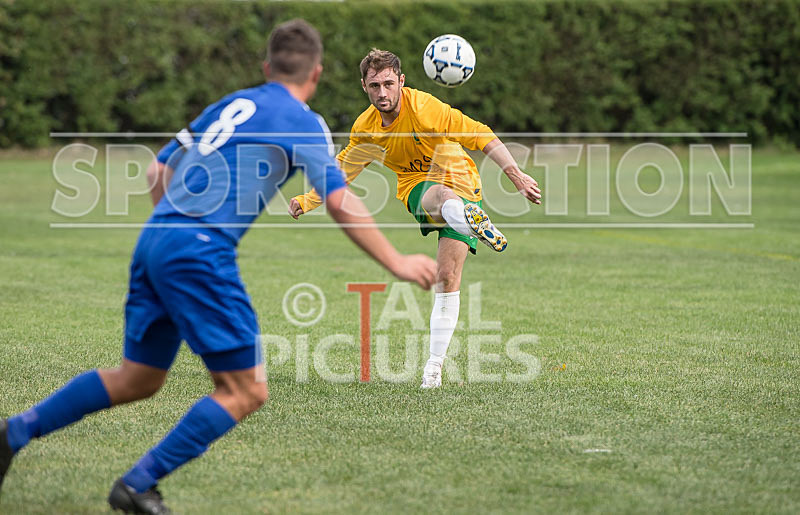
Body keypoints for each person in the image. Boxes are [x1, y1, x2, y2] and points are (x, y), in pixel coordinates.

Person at [0, 21, 436, 514]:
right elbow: (339, 201)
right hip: (199, 253)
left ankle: (14, 433)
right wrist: (397, 260)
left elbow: (156, 170)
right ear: (315, 74)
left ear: (267, 68)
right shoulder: (304, 121)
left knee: (138, 378)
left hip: (156, 239)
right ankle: (138, 484)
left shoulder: (231, 104)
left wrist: (174, 229)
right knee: (245, 389)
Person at [289, 49, 541, 389]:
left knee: (447, 276)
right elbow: (343, 171)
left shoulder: (426, 109)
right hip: (417, 186)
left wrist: (515, 175)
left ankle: (433, 369)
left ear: (401, 82)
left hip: (460, 178)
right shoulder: (366, 128)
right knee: (438, 200)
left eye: (389, 84)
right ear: (364, 86)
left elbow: (480, 134)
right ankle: (468, 220)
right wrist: (307, 200)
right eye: (375, 85)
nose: (382, 93)